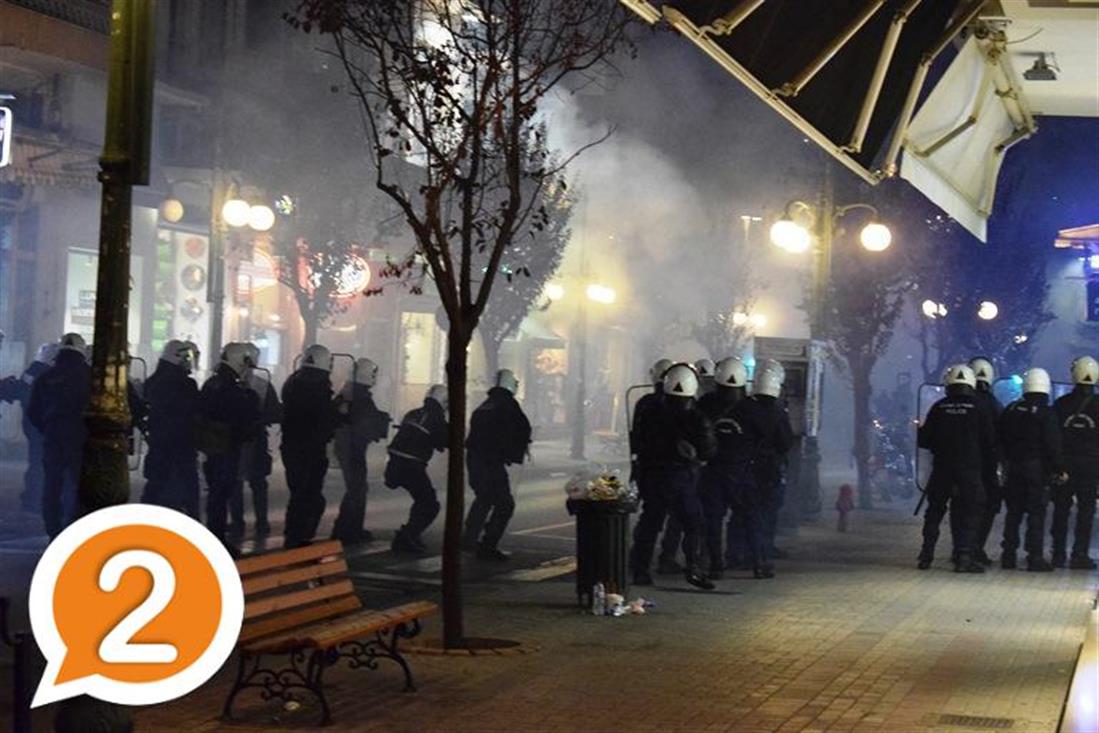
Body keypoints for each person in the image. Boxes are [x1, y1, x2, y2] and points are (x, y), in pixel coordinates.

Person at [629, 363, 717, 589]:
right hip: (682, 478)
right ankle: (693, 569)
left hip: (652, 476)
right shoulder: (697, 418)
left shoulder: (649, 412)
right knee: (693, 524)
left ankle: (640, 571)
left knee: (650, 524)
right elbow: (708, 451)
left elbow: (636, 442)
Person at [916, 365, 995, 572]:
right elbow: (990, 442)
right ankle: (963, 558)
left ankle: (926, 555)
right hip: (969, 470)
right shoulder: (979, 408)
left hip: (941, 469)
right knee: (970, 511)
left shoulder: (939, 407)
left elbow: (924, 440)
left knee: (934, 511)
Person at [462, 369, 532, 561]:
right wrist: (514, 451)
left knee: (484, 498)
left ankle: (469, 538)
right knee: (504, 504)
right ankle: (488, 545)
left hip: (475, 459)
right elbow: (522, 427)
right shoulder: (507, 404)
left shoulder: (486, 404)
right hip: (491, 462)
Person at [27, 333, 91, 538]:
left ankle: (53, 531)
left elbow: (32, 412)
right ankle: (78, 531)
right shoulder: (92, 377)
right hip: (82, 437)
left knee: (52, 485)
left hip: (53, 435)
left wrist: (48, 429)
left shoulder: (45, 378)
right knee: (82, 486)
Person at [999, 368, 1064, 572]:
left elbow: (1000, 438)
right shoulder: (1046, 413)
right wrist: (1059, 468)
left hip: (1013, 468)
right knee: (1036, 514)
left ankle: (1008, 555)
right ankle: (1034, 557)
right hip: (1037, 470)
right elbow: (1052, 444)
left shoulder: (1011, 409)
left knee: (1013, 513)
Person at [697, 357, 755, 579]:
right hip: (741, 470)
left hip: (712, 469)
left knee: (712, 519)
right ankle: (739, 556)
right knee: (744, 516)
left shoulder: (706, 403)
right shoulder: (749, 407)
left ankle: (714, 563)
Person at [198, 342, 260, 550]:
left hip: (214, 448)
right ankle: (217, 541)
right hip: (226, 448)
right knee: (220, 496)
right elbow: (241, 416)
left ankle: (216, 538)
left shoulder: (213, 383)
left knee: (217, 495)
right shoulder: (231, 387)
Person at [281, 344, 341, 548]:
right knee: (309, 496)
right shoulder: (318, 386)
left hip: (291, 445)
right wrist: (339, 412)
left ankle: (295, 536)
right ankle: (298, 537)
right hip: (311, 448)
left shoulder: (293, 382)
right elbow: (324, 417)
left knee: (299, 493)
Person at [630, 358, 684, 574]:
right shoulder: (683, 404)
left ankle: (639, 562)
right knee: (678, 517)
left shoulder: (645, 403)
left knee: (650, 518)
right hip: (675, 470)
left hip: (648, 467)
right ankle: (667, 558)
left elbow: (636, 436)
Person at [738, 366, 793, 575]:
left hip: (743, 468)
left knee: (744, 513)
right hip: (769, 470)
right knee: (763, 514)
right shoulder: (778, 413)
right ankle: (759, 556)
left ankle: (736, 554)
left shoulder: (743, 408)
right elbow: (785, 442)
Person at [332, 357, 390, 544]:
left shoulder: (347, 392)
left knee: (355, 488)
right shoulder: (360, 396)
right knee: (357, 489)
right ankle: (350, 531)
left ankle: (345, 528)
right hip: (353, 448)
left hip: (347, 446)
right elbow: (363, 423)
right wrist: (379, 424)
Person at [141, 340, 200, 517]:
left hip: (158, 447)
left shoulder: (152, 382)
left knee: (154, 493)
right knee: (183, 496)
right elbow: (194, 413)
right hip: (181, 449)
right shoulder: (185, 384)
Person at [387, 384, 449, 553]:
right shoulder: (436, 418)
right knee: (430, 504)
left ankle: (409, 535)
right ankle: (407, 536)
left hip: (394, 463)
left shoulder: (413, 413)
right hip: (411, 466)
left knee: (422, 500)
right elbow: (444, 441)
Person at [1051, 356, 1099, 569]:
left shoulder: (1061, 404)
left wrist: (1056, 464)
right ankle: (1080, 554)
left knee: (1061, 509)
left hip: (1065, 465)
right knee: (1086, 511)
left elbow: (1052, 436)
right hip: (1091, 466)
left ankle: (1058, 553)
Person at [0, 342, 58, 512]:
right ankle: (36, 498)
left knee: (37, 460)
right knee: (42, 461)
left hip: (34, 423)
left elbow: (23, 391)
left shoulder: (34, 370)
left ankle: (33, 498)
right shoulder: (52, 372)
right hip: (47, 425)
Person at [231, 343, 280, 538]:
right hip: (255, 438)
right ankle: (260, 523)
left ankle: (239, 523)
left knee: (237, 483)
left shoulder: (226, 382)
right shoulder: (262, 384)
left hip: (238, 439)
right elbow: (275, 412)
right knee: (257, 483)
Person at [968, 356, 1004, 566]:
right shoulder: (995, 405)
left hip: (961, 465)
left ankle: (962, 549)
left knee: (963, 508)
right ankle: (976, 548)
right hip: (988, 466)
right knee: (989, 506)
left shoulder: (958, 403)